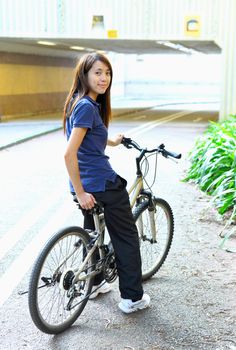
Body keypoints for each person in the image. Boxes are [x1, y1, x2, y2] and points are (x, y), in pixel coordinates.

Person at [63, 52, 150, 313]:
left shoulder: (81, 103)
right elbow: (68, 153)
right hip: (100, 184)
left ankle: (96, 282)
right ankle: (132, 298)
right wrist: (81, 192)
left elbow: (89, 138)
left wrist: (113, 140)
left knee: (93, 234)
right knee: (126, 236)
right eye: (98, 73)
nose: (104, 78)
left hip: (87, 185)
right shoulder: (87, 106)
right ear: (85, 75)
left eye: (107, 73)